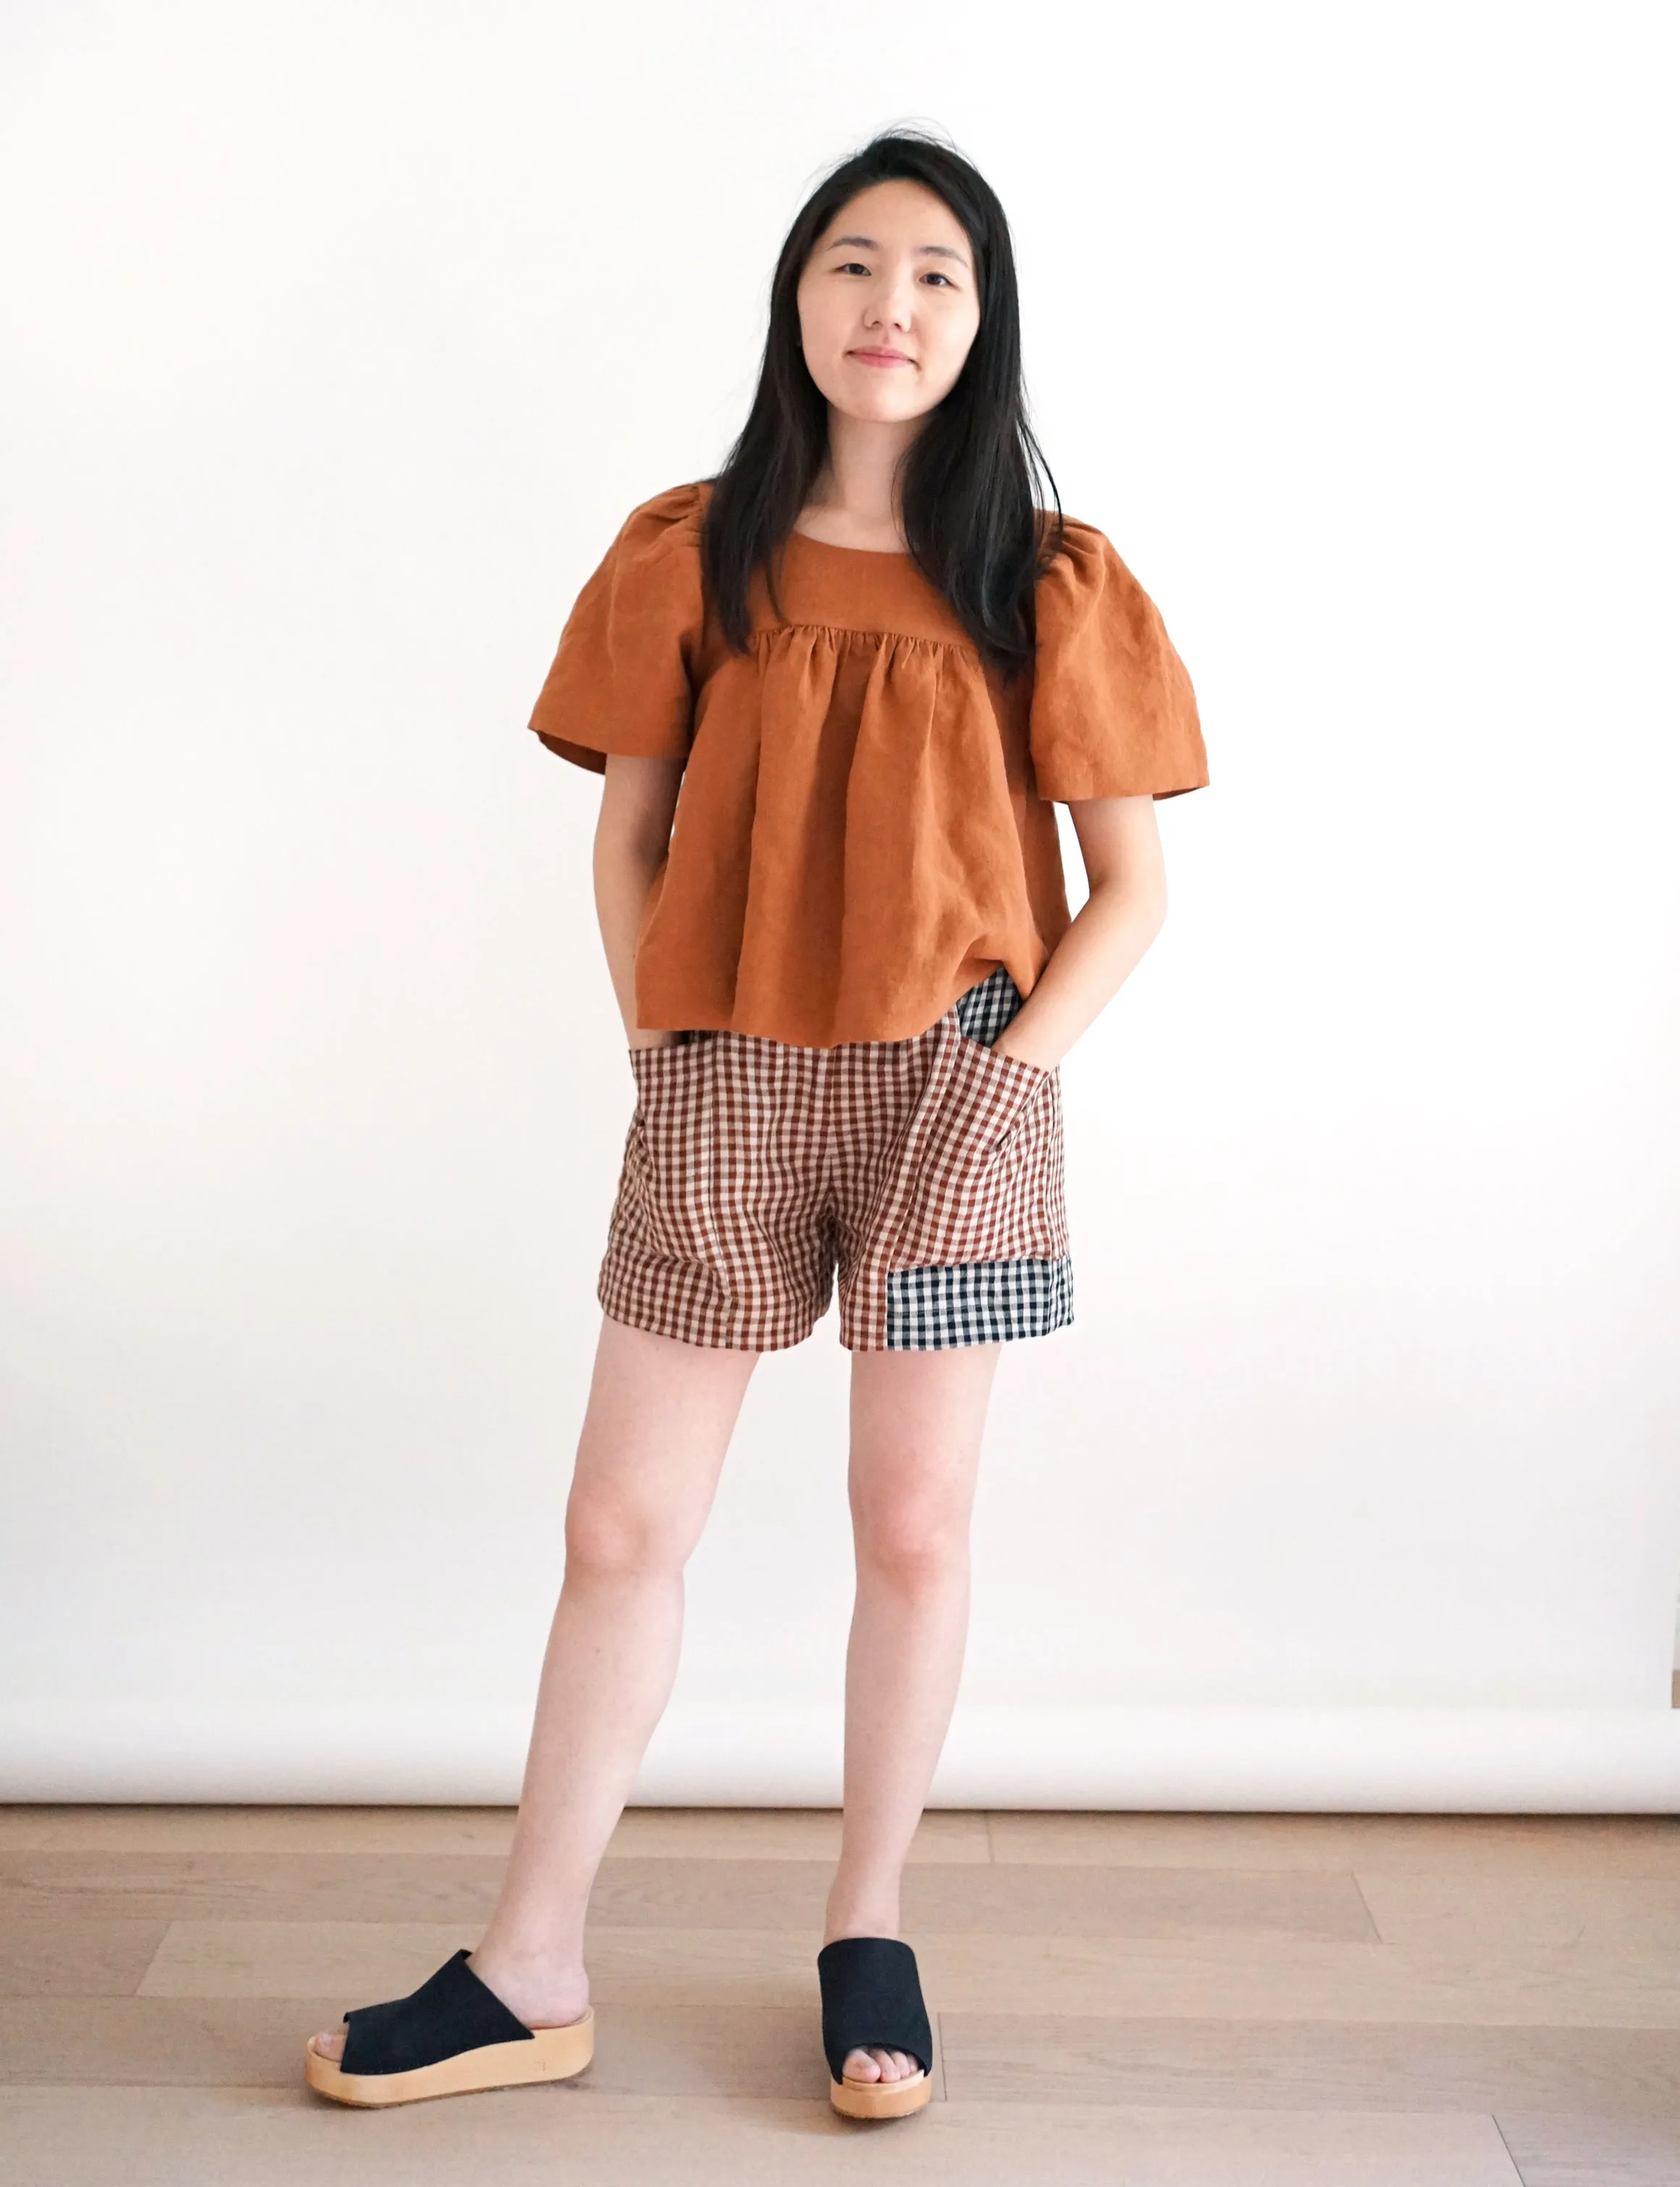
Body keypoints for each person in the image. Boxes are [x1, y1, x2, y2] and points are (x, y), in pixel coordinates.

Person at [305, 126, 1206, 2121]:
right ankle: (529, 1961)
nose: (894, 305)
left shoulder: (1050, 580)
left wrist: (1009, 1075)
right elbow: (626, 834)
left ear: (985, 319)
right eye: (855, 264)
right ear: (798, 297)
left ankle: (869, 1927)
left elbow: (1132, 887)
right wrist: (668, 1048)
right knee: (622, 1522)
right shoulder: (690, 550)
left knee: (915, 1525)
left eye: (939, 274)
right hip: (725, 1068)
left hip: (965, 1076)